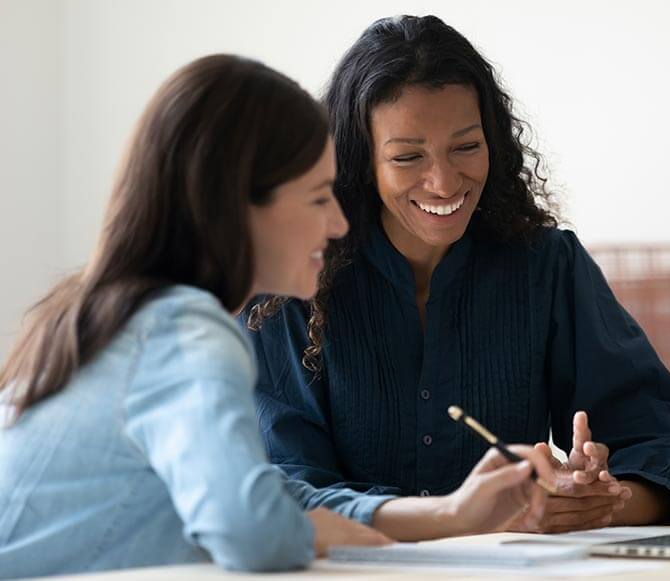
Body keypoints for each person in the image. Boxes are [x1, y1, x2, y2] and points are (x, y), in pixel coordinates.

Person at [0, 54, 554, 579]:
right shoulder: (184, 331)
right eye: (317, 198)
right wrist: (317, 532)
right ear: (236, 206)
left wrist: (452, 515)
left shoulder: (117, 317)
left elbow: (260, 496)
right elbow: (253, 531)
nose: (339, 223)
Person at [243, 15, 670, 534]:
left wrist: (593, 502)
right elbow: (285, 491)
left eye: (467, 147)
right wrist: (461, 517)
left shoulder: (547, 266)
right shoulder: (292, 282)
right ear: (360, 162)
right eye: (407, 156)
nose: (444, 182)